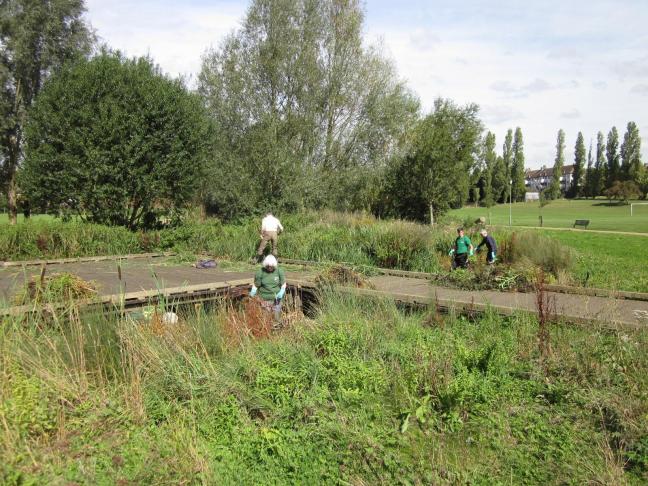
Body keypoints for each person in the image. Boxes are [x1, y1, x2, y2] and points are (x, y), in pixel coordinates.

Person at [249, 255, 286, 328]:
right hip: (264, 299)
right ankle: (267, 330)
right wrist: (252, 292)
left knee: (276, 316)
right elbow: (256, 285)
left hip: (277, 299)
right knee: (266, 317)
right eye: (268, 266)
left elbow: (283, 284)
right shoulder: (260, 272)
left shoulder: (279, 271)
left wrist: (281, 292)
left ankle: (277, 330)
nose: (269, 268)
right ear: (265, 265)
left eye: (271, 266)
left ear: (274, 265)